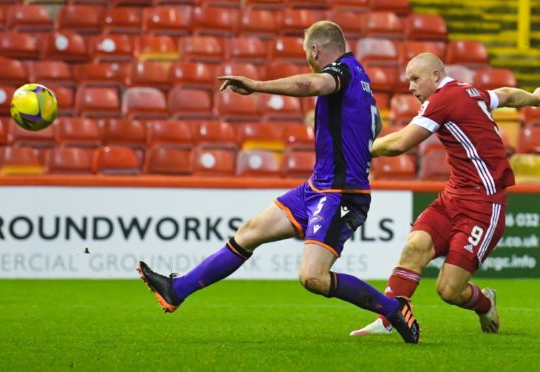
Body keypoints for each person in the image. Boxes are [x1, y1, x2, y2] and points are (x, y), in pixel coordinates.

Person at [137, 20, 421, 344]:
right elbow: (376, 123)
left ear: (315, 50)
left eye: (306, 53)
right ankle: (178, 290)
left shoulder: (341, 71)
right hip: (317, 187)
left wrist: (256, 85)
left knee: (312, 278)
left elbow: (310, 85)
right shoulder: (363, 80)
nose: (308, 59)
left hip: (342, 194)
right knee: (249, 233)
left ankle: (393, 308)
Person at [350, 53, 540, 337]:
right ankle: (387, 320)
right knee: (414, 247)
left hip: (484, 204)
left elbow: (400, 144)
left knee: (449, 289)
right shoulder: (467, 91)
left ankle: (484, 303)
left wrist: (354, 148)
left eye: (415, 79)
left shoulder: (442, 100)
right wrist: (531, 97)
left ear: (435, 76)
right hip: (452, 196)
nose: (411, 87)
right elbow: (504, 95)